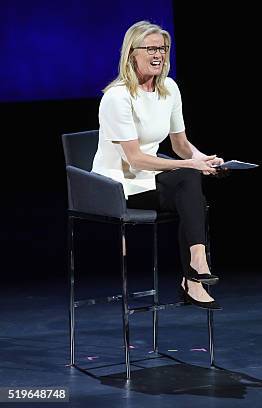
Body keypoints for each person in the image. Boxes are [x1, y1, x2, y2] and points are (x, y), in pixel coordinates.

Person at [91, 21, 223, 310]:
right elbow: (134, 158)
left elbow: (180, 145)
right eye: (150, 48)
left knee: (189, 183)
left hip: (150, 176)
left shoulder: (169, 89)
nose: (158, 55)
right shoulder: (117, 97)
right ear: (132, 54)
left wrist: (203, 159)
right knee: (188, 181)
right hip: (116, 184)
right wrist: (189, 164)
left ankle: (196, 267)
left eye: (162, 48)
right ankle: (194, 276)